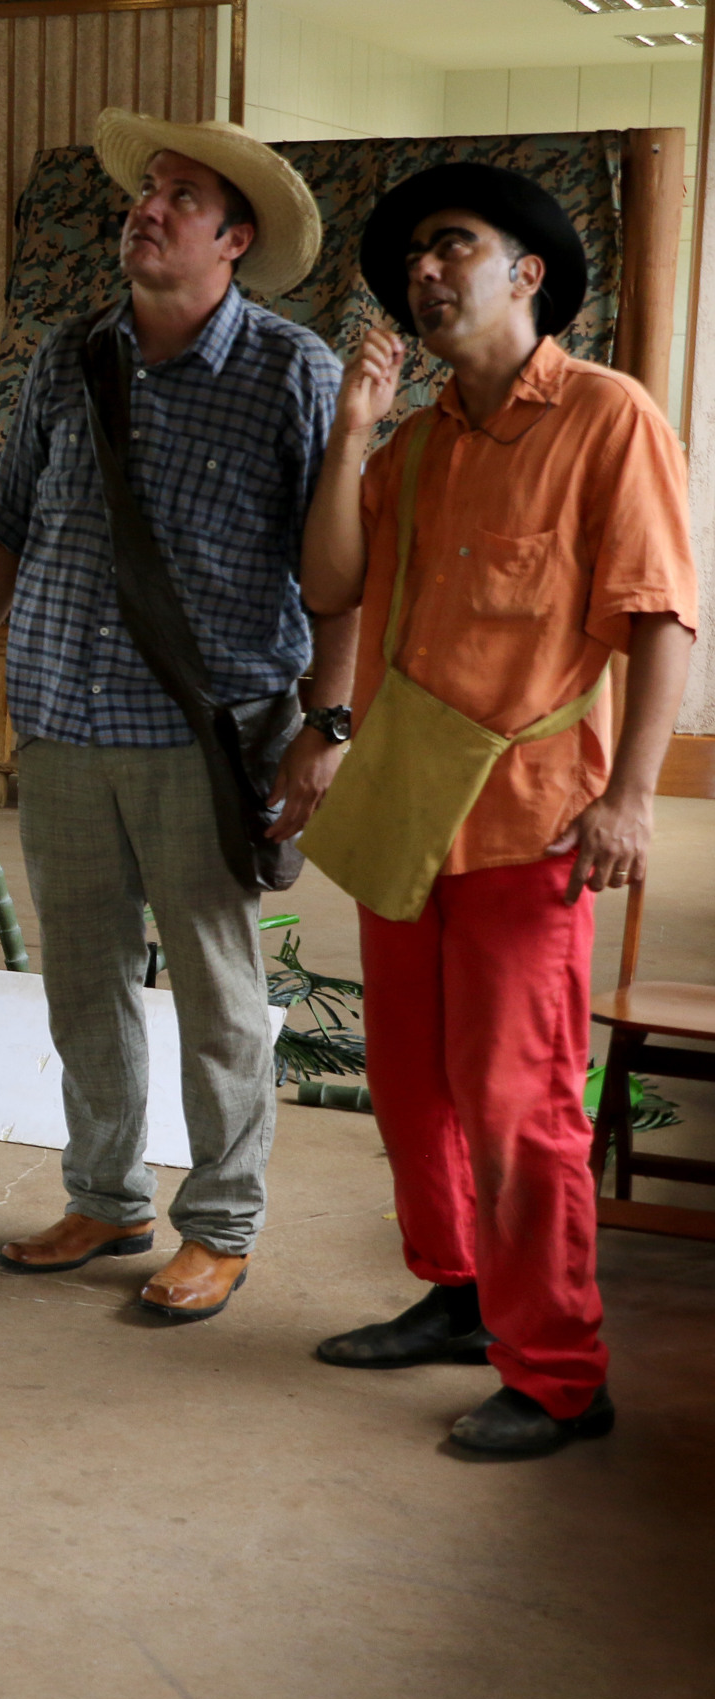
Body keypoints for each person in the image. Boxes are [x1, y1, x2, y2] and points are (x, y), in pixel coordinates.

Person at [0, 111, 356, 1320]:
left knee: (218, 993)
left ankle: (219, 1224)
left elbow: (340, 578)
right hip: (60, 719)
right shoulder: (72, 355)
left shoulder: (292, 372)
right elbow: (0, 526)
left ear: (234, 239)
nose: (147, 208)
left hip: (203, 736)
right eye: (146, 189)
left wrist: (328, 724)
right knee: (84, 981)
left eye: (180, 197)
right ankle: (105, 1195)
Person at [298, 164, 695, 1457]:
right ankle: (460, 1299)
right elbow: (331, 590)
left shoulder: (607, 417)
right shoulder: (414, 443)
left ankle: (564, 1375)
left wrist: (632, 795)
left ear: (528, 271)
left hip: (537, 821)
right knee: (411, 1085)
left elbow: (656, 617)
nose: (425, 269)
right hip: (409, 810)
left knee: (522, 1102)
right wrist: (353, 431)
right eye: (413, 255)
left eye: (451, 246)